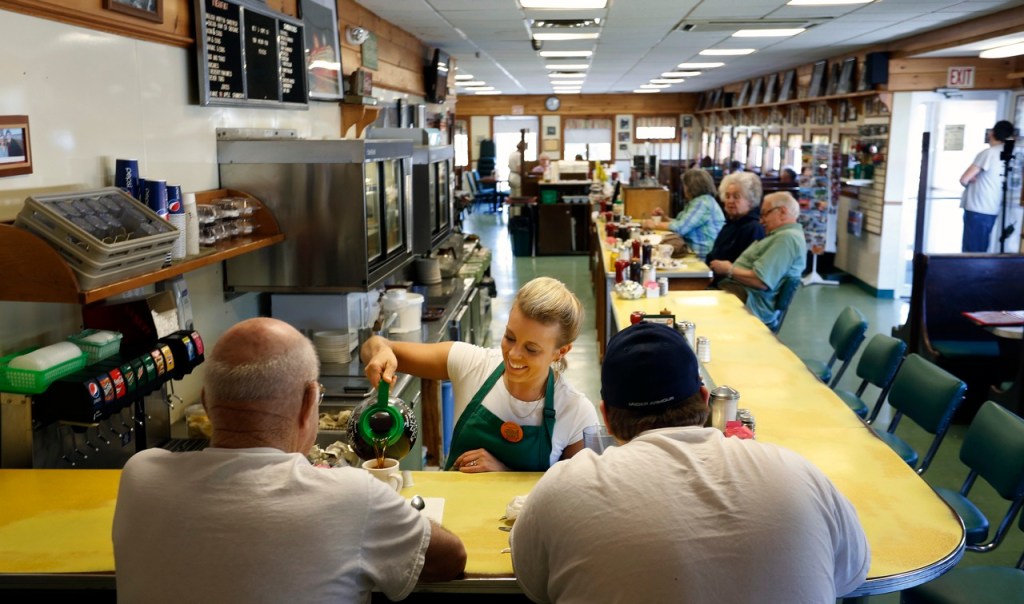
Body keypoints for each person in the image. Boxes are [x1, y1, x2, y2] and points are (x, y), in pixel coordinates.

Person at [511, 322, 870, 603]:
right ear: (702, 398)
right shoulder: (799, 476)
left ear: (606, 417)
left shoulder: (563, 491)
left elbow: (534, 585)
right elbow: (851, 574)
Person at [113, 318, 466, 604]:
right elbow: (450, 558)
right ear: (309, 401)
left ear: (207, 402)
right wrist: (396, 514)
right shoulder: (354, 497)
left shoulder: (141, 477)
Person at [362, 277, 597, 472]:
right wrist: (381, 352)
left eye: (531, 349)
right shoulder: (473, 365)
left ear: (561, 351)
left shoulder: (576, 412)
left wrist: (504, 473)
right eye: (510, 337)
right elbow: (376, 344)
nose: (514, 355)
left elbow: (576, 496)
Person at [710, 192, 806, 324]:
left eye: (765, 214)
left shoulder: (787, 239)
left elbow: (761, 281)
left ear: (783, 212)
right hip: (739, 294)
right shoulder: (782, 236)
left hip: (748, 301)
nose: (761, 221)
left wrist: (729, 270)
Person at [641, 168, 724, 259]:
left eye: (684, 185)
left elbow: (680, 228)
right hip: (694, 251)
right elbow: (682, 222)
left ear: (691, 187)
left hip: (702, 257)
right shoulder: (700, 201)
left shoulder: (702, 203)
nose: (684, 188)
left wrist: (654, 224)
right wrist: (665, 218)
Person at [959, 119, 1015, 252]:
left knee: (972, 251)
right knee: (981, 248)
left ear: (992, 133)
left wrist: (972, 178)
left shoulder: (988, 153)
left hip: (977, 208)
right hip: (992, 208)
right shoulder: (1008, 153)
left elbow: (964, 179)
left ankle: (972, 273)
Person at [705, 171, 766, 285]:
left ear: (751, 200)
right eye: (727, 196)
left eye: (736, 196)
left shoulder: (753, 229)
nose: (730, 201)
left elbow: (749, 271)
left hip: (731, 287)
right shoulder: (731, 223)